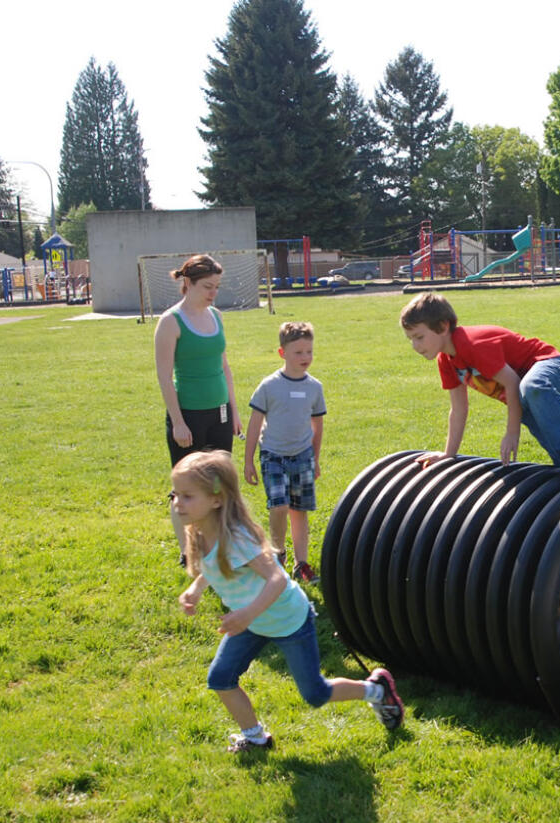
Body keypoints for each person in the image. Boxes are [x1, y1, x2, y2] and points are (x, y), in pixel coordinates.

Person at [173, 451, 404, 752]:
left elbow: (278, 578)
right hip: (252, 621)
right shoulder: (200, 531)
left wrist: (247, 614)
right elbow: (218, 565)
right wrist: (196, 588)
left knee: (315, 693)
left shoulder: (238, 538)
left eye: (187, 496)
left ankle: (376, 690)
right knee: (220, 679)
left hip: (288, 620)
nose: (178, 503)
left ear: (216, 500)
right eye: (175, 494)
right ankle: (255, 737)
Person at [400, 292, 560, 472]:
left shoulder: (471, 344)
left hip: (549, 365)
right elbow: (458, 409)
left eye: (419, 337)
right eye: (411, 340)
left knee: (530, 388)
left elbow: (512, 383)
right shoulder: (446, 361)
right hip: (524, 392)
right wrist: (449, 454)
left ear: (443, 326)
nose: (415, 346)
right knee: (533, 416)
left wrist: (512, 432)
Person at [153, 254, 241, 561]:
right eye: (207, 286)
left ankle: (220, 545)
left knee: (220, 483)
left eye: (216, 286)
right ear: (187, 283)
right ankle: (188, 552)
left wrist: (233, 410)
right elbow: (164, 376)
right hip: (188, 415)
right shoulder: (170, 322)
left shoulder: (216, 316)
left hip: (219, 412)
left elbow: (224, 366)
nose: (213, 293)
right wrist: (178, 421)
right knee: (187, 487)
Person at [243, 322, 325, 582]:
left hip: (302, 456)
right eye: (298, 352)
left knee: (299, 511)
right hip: (273, 455)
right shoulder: (269, 386)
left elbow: (317, 425)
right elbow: (255, 424)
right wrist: (248, 462)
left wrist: (315, 458)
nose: (305, 358)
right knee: (279, 506)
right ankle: (278, 553)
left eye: (309, 351)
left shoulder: (314, 387)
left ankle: (302, 564)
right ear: (282, 353)